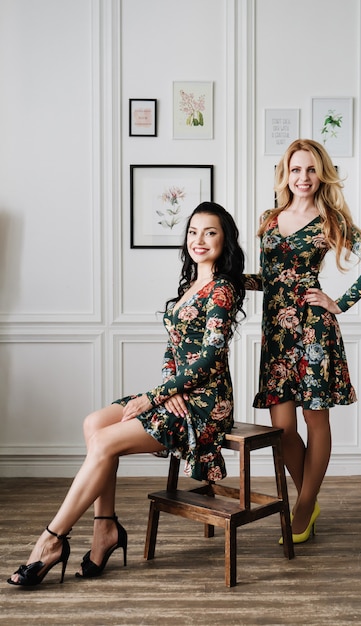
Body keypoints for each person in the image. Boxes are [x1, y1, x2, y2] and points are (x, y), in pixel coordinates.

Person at [8, 201, 246, 587]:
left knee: (103, 440)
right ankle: (105, 529)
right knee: (93, 424)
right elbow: (174, 348)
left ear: (225, 240)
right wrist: (167, 390)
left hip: (205, 403)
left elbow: (211, 359)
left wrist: (156, 396)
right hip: (178, 392)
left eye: (210, 233)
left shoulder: (221, 290)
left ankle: (52, 540)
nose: (198, 240)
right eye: (192, 232)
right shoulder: (191, 286)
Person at [244, 139, 361, 544]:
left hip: (313, 330)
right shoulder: (269, 219)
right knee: (283, 428)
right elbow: (270, 279)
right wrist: (232, 280)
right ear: (285, 174)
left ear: (320, 173)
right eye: (296, 170)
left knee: (315, 419)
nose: (303, 178)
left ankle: (304, 506)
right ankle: (310, 497)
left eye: (311, 170)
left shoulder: (331, 220)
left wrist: (338, 302)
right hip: (276, 332)